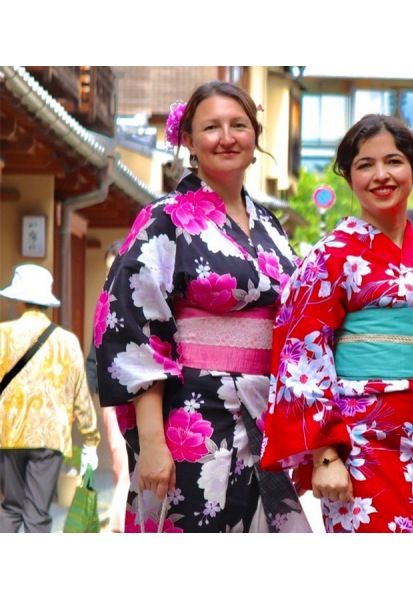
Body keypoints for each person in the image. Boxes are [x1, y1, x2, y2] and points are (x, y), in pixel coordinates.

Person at [95, 81, 309, 532]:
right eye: (211, 127)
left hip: (262, 412)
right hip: (192, 414)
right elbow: (135, 327)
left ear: (255, 136)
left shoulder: (269, 224)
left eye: (238, 125)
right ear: (189, 140)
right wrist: (152, 442)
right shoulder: (165, 217)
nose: (226, 137)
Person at [260, 114, 413, 532]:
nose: (381, 175)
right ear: (348, 176)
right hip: (360, 445)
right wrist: (325, 455)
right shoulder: (331, 256)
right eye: (365, 165)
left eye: (393, 161)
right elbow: (301, 352)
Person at [0, 264, 100, 532]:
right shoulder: (66, 341)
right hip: (50, 436)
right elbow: (81, 395)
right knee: (37, 513)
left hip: (9, 433)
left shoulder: (2, 335)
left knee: (10, 507)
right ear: (46, 302)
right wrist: (91, 439)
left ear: (19, 299)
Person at [85, 239, 129, 532]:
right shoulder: (104, 302)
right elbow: (94, 353)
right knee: (118, 459)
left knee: (129, 461)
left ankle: (120, 522)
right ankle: (123, 516)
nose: (109, 275)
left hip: (137, 393)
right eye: (107, 270)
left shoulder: (136, 297)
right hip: (111, 397)